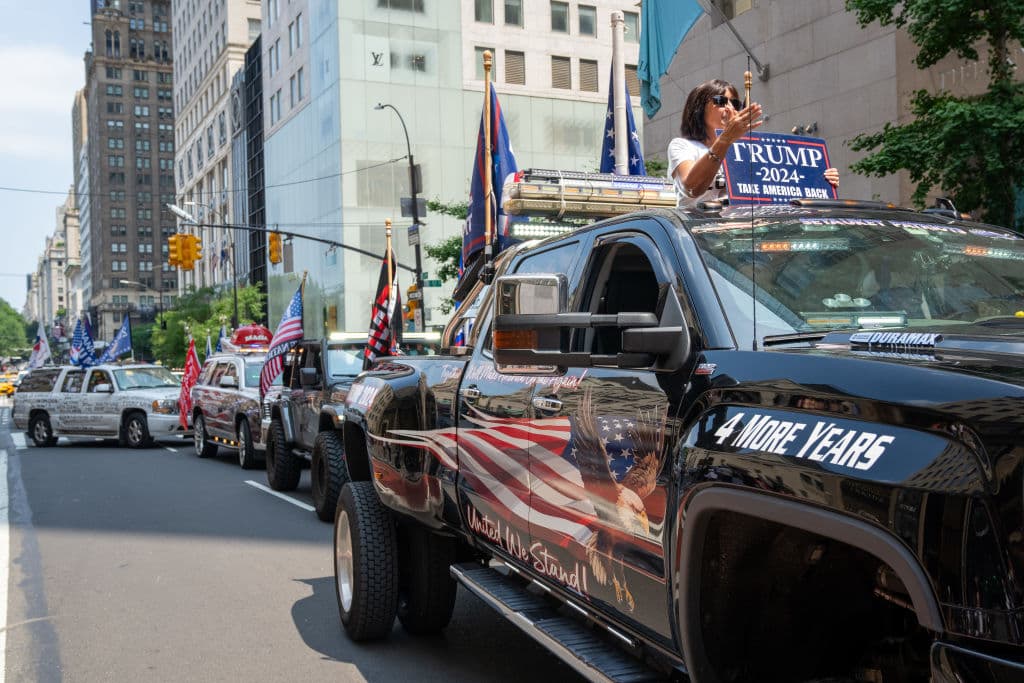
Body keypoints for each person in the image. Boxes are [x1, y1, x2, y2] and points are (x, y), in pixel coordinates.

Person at [667, 79, 839, 208]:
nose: (730, 108)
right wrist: (725, 140)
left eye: (735, 103)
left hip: (739, 236)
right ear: (698, 108)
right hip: (696, 235)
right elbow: (692, 188)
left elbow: (778, 188)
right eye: (720, 101)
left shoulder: (748, 150)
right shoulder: (682, 146)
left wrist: (818, 179)